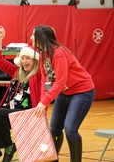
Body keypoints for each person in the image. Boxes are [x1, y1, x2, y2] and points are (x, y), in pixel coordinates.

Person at [0, 26, 41, 162]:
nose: (24, 61)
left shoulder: (38, 74)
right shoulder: (16, 72)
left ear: (34, 61)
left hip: (26, 112)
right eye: (22, 58)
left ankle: (8, 146)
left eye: (27, 59)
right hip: (10, 109)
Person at [33, 25, 95, 162]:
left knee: (70, 129)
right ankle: (53, 159)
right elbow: (45, 80)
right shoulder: (44, 54)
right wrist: (44, 101)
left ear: (41, 38)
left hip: (82, 91)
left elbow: (60, 81)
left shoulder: (59, 53)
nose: (31, 38)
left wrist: (44, 101)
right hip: (64, 92)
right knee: (54, 129)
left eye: (33, 35)